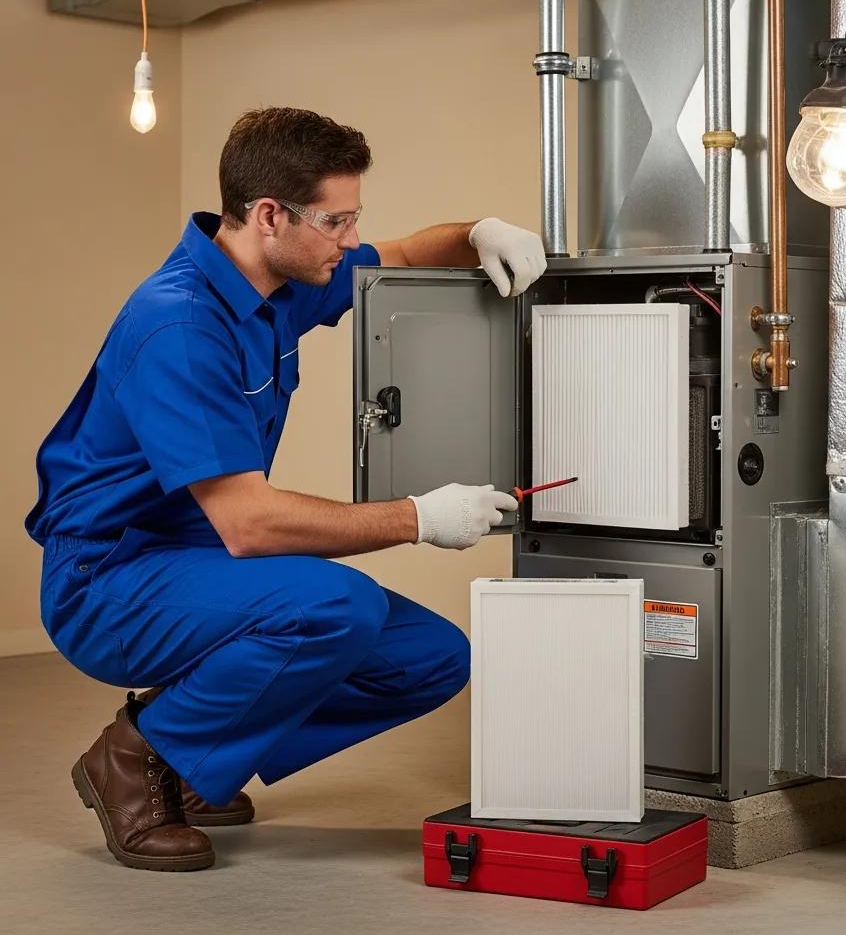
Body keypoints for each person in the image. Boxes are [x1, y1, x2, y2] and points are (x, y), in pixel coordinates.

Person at [25, 107, 546, 872]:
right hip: (108, 579)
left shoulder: (281, 281)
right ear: (270, 215)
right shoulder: (179, 326)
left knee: (430, 658)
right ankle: (136, 757)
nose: (349, 239)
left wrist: (480, 232)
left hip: (196, 564)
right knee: (341, 606)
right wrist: (418, 518)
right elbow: (249, 526)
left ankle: (195, 758)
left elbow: (400, 253)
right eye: (336, 222)